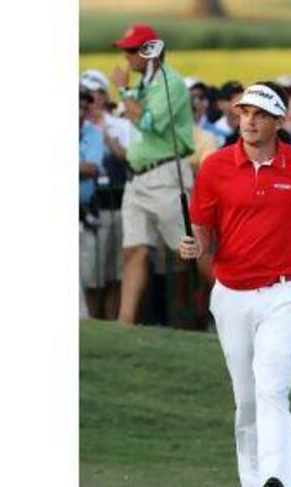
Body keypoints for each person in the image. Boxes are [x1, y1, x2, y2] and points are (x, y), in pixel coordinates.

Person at [179, 82, 291, 487]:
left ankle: (276, 484)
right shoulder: (215, 168)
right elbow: (205, 236)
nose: (248, 121)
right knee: (246, 399)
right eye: (243, 113)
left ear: (276, 122)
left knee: (273, 389)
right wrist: (194, 248)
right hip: (230, 294)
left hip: (284, 292)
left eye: (258, 114)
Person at [110, 24, 196, 325]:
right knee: (133, 251)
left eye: (132, 50)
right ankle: (124, 325)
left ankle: (232, 309)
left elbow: (147, 122)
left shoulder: (171, 83)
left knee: (194, 253)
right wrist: (128, 91)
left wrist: (121, 90)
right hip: (137, 181)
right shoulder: (146, 84)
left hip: (166, 178)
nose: (127, 57)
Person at [79, 69, 131, 319]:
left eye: (95, 93)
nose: (90, 100)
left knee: (114, 274)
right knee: (91, 277)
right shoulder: (81, 126)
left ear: (103, 95)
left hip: (117, 206)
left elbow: (130, 161)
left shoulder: (121, 125)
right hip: (90, 208)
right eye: (85, 94)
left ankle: (110, 324)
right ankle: (92, 322)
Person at [79, 88, 105, 317]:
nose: (81, 108)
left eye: (84, 104)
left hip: (83, 214)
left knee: (89, 279)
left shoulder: (93, 133)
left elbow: (91, 168)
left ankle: (89, 326)